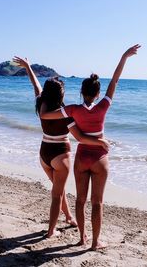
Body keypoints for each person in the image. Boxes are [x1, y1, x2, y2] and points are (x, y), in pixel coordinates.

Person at [41, 44, 141, 249]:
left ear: (81, 91)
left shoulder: (72, 110)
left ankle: (82, 238)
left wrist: (45, 106)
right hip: (100, 158)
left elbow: (45, 115)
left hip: (81, 157)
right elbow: (115, 80)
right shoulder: (103, 106)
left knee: (80, 200)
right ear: (97, 94)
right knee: (97, 202)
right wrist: (124, 57)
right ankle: (95, 242)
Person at [13, 56, 110, 238]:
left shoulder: (41, 103)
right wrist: (100, 142)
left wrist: (28, 67)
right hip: (60, 154)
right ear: (61, 95)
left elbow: (36, 86)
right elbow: (80, 137)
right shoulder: (66, 115)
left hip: (44, 154)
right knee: (56, 194)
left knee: (58, 189)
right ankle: (51, 231)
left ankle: (69, 217)